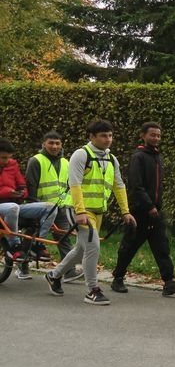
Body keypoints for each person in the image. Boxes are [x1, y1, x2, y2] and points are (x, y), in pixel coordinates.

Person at [45, 120, 136, 305]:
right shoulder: (81, 155)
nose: (108, 139)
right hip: (79, 210)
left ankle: (54, 276)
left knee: (80, 250)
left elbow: (119, 186)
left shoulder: (111, 159)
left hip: (97, 212)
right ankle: (92, 290)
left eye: (110, 135)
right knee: (93, 247)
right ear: (92, 137)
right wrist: (80, 211)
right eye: (103, 136)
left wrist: (126, 211)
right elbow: (75, 184)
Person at [110, 122, 175, 296]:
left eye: (158, 135)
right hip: (140, 211)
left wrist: (156, 207)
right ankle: (118, 278)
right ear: (143, 135)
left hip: (156, 212)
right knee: (130, 245)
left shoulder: (157, 156)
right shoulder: (138, 157)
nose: (156, 138)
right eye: (152, 135)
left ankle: (169, 282)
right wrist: (149, 205)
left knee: (162, 247)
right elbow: (136, 185)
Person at [21, 131, 83, 282]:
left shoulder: (66, 163)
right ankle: (23, 267)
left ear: (61, 145)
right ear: (44, 144)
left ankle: (68, 271)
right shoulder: (36, 160)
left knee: (64, 238)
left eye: (57, 143)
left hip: (61, 208)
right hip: (41, 207)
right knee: (32, 236)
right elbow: (31, 184)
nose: (54, 146)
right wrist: (33, 205)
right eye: (51, 143)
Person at [0, 138, 58, 264]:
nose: (6, 161)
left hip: (15, 204)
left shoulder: (12, 165)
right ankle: (14, 246)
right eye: (3, 158)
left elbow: (22, 185)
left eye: (8, 157)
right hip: (7, 207)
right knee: (12, 207)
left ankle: (38, 244)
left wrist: (21, 193)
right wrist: (8, 192)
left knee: (51, 207)